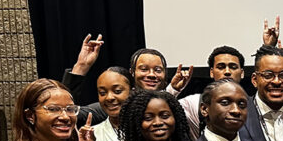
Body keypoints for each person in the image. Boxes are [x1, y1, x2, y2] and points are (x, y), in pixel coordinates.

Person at [62, 35, 191, 125]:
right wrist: (81, 67)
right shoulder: (114, 104)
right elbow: (67, 110)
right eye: (144, 69)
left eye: (157, 70)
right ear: (132, 72)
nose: (151, 75)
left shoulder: (175, 107)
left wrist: (173, 91)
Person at [180, 45, 247, 138]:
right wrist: (174, 89)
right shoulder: (194, 103)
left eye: (233, 67)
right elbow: (163, 110)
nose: (227, 71)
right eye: (221, 67)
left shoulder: (253, 104)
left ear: (242, 73)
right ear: (211, 72)